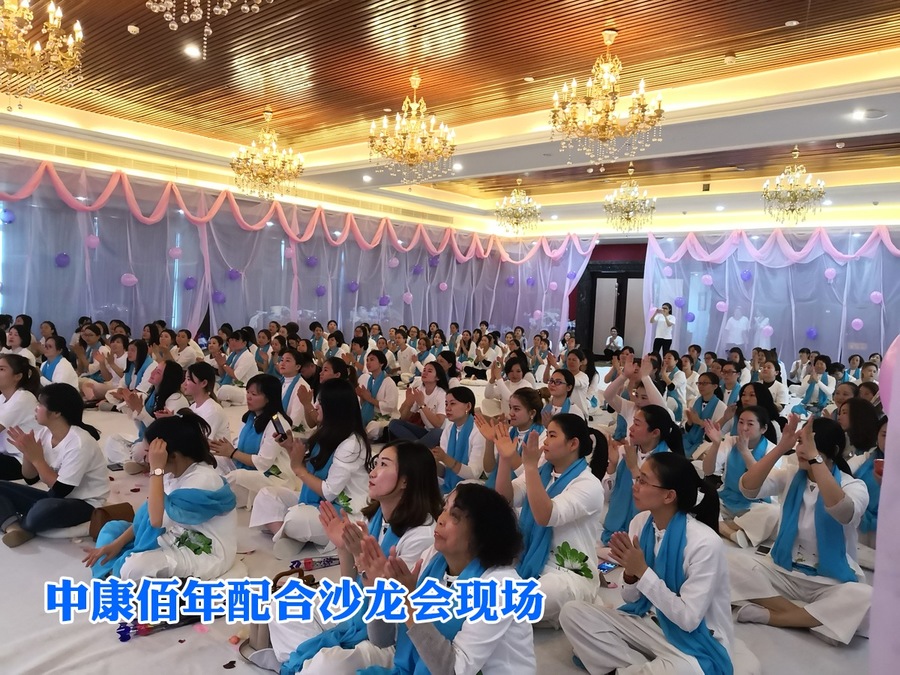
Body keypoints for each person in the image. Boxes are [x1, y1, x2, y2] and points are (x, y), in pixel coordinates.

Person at [258, 441, 442, 672]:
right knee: (282, 605)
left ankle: (305, 660)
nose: (372, 473)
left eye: (384, 465)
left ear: (406, 480)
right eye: (375, 464)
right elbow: (351, 587)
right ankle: (303, 662)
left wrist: (361, 560)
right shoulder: (376, 516)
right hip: (359, 610)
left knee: (327, 665)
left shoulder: (421, 536)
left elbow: (391, 617)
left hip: (390, 637)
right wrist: (344, 548)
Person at [561, 452, 736, 675]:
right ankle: (640, 666)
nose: (635, 486)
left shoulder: (704, 543)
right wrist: (630, 574)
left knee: (686, 670)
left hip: (692, 638)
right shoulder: (640, 523)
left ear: (669, 496)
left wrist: (642, 571)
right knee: (572, 613)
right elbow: (630, 599)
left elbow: (688, 620)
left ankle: (622, 666)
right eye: (638, 479)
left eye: (643, 481)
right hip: (644, 620)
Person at [360, 482, 536, 674]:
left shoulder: (500, 586)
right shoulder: (432, 559)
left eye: (455, 515)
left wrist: (409, 603)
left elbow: (452, 670)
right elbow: (382, 640)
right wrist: (380, 592)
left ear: (483, 532)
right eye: (444, 509)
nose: (441, 519)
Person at [728, 416, 872, 646]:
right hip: (783, 570)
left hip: (829, 580)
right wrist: (781, 448)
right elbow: (748, 488)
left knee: (865, 597)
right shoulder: (791, 473)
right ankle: (810, 617)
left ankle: (773, 616)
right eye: (801, 442)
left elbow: (842, 511)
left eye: (810, 444)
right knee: (729, 563)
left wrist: (815, 459)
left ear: (833, 451)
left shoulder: (853, 486)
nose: (802, 449)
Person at [84, 412, 238, 580]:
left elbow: (156, 521)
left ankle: (115, 573)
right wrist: (116, 544)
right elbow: (147, 513)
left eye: (150, 454)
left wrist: (156, 470)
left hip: (201, 550)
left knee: (133, 568)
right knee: (112, 529)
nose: (147, 459)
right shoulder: (172, 474)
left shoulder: (203, 480)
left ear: (172, 456)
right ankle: (115, 572)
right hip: (173, 532)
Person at [495, 413, 605, 627]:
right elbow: (504, 498)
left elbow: (545, 515)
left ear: (573, 444)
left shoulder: (589, 485)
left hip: (568, 572)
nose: (545, 441)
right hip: (528, 557)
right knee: (484, 577)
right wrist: (505, 459)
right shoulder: (543, 472)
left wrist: (529, 467)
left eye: (552, 435)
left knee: (517, 602)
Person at [251, 378, 371, 559]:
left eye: (320, 402)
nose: (315, 406)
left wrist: (299, 469)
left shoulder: (351, 444)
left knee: (296, 518)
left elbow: (329, 492)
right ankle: (292, 537)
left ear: (334, 407)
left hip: (343, 512)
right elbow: (312, 468)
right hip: (316, 501)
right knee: (266, 496)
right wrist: (290, 448)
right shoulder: (327, 432)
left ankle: (290, 534)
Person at [0, 384, 108, 547]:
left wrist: (38, 459)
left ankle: (16, 521)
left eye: (40, 404)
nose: (35, 408)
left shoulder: (79, 442)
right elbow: (30, 478)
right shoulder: (45, 433)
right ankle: (14, 528)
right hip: (55, 498)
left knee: (43, 509)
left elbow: (60, 490)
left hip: (85, 503)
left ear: (56, 412)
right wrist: (27, 453)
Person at [602, 404, 684, 545]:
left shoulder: (667, 462)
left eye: (637, 424)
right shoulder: (624, 451)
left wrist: (634, 469)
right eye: (633, 422)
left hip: (649, 532)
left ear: (655, 432)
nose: (631, 428)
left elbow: (658, 505)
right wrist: (613, 467)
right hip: (615, 528)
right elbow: (606, 497)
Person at [211, 374, 296, 507]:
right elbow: (238, 446)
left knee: (237, 476)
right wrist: (225, 450)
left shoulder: (278, 424)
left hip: (272, 476)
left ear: (268, 398)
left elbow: (263, 463)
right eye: (248, 392)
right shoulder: (251, 417)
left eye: (254, 394)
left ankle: (212, 498)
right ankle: (213, 491)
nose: (248, 397)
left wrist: (232, 453)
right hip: (249, 467)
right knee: (214, 461)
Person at [702, 406, 781, 549]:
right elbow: (707, 470)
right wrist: (716, 444)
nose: (744, 428)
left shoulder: (772, 450)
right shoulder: (730, 441)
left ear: (763, 429)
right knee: (699, 497)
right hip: (726, 499)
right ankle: (730, 531)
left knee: (774, 513)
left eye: (750, 424)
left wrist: (745, 451)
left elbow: (763, 480)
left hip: (755, 504)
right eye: (741, 422)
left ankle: (724, 525)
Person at [121, 361, 189, 474]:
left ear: (167, 378)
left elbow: (160, 432)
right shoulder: (153, 394)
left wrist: (140, 411)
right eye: (155, 369)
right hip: (148, 440)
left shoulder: (176, 399)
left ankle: (142, 462)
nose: (152, 372)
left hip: (166, 444)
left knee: (138, 451)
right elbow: (142, 429)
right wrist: (134, 410)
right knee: (114, 440)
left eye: (158, 372)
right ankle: (141, 461)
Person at [429, 387, 485, 494]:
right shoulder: (448, 430)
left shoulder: (479, 432)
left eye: (452, 403)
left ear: (468, 406)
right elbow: (444, 472)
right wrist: (433, 461)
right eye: (446, 404)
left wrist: (445, 458)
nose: (447, 408)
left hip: (472, 487)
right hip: (449, 483)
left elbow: (474, 474)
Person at [388, 362, 449, 449]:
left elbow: (438, 424)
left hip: (441, 434)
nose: (425, 373)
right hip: (426, 431)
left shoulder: (442, 394)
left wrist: (422, 404)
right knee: (394, 423)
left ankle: (416, 448)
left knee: (437, 432)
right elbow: (404, 419)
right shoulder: (420, 389)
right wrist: (408, 404)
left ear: (437, 377)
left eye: (429, 371)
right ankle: (418, 448)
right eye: (424, 370)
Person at [0, 355, 42, 481]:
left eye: (1, 369)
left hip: (22, 461)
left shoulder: (24, 398)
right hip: (5, 454)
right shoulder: (2, 398)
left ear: (17, 376)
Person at [182, 362, 231, 443]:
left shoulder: (212, 411)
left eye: (189, 379)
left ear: (204, 383)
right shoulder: (193, 407)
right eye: (185, 379)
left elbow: (200, 442)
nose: (184, 384)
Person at [356, 349, 399, 442]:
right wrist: (362, 397)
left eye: (372, 360)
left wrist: (370, 399)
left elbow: (390, 406)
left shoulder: (389, 382)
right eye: (367, 360)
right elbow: (365, 404)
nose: (368, 363)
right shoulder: (369, 380)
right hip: (371, 416)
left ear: (381, 363)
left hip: (385, 417)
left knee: (373, 428)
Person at [682, 372, 726, 456]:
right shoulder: (693, 402)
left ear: (715, 386)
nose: (700, 386)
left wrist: (699, 421)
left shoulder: (721, 407)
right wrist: (689, 422)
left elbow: (718, 432)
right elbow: (685, 425)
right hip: (688, 440)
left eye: (705, 383)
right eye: (699, 383)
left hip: (706, 444)